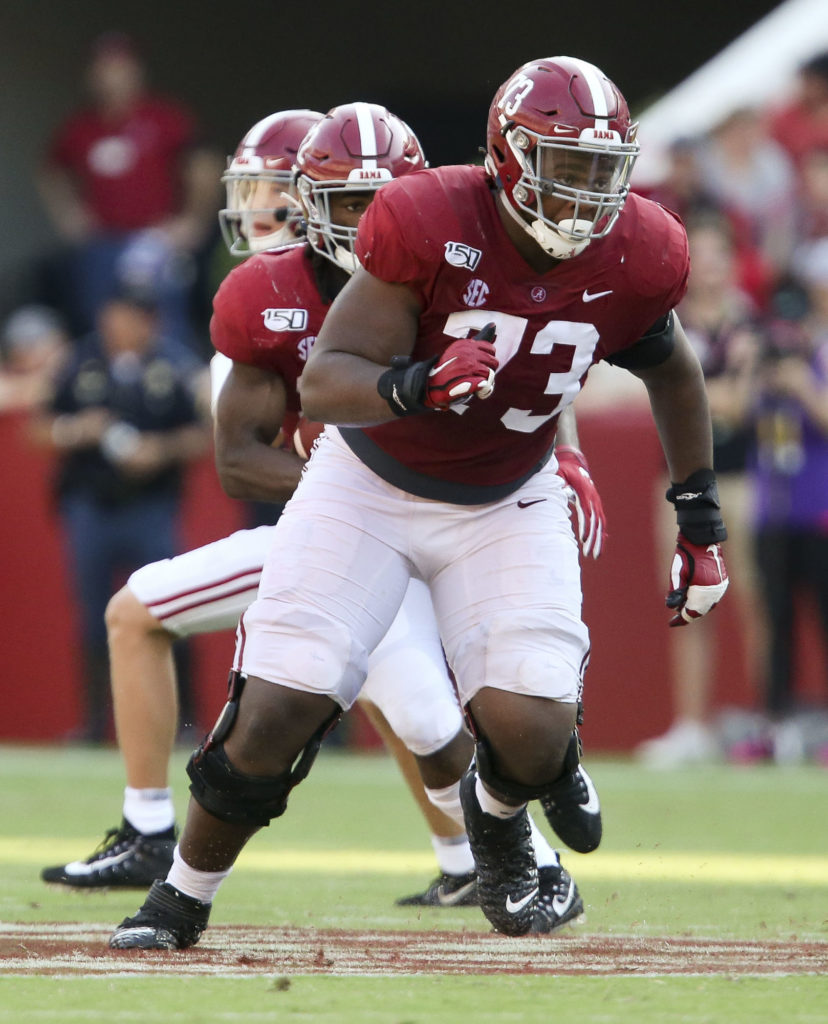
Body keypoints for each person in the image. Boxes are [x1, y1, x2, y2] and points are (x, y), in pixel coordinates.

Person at [108, 58, 718, 951]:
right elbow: (326, 379)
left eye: (601, 169)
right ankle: (179, 896)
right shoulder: (429, 218)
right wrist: (417, 383)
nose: (585, 191)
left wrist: (700, 516)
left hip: (508, 493)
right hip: (368, 484)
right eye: (564, 165)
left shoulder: (643, 248)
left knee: (535, 735)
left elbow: (672, 366)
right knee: (277, 708)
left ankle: (494, 817)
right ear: (509, 156)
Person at [43, 105, 601, 919]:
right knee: (403, 700)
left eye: (267, 191)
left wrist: (565, 452)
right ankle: (478, 859)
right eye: (257, 193)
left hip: (451, 509)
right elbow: (237, 455)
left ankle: (154, 830)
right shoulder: (264, 293)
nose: (258, 212)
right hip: (342, 520)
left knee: (422, 704)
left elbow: (541, 359)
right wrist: (348, 489)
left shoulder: (444, 273)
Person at [28, 281, 209, 742]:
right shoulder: (78, 361)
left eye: (131, 317)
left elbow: (203, 434)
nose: (120, 326)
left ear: (150, 321)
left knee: (170, 610)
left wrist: (160, 450)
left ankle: (185, 723)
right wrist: (76, 430)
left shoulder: (175, 365)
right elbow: (38, 427)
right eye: (114, 316)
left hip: (151, 506)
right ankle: (93, 725)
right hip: (91, 505)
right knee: (92, 614)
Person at [635, 213, 767, 766]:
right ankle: (691, 725)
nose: (710, 265)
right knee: (688, 602)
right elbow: (653, 395)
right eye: (702, 253)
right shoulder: (671, 322)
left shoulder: (749, 324)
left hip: (740, 478)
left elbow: (738, 405)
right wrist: (703, 394)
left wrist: (686, 395)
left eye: (719, 253)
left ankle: (767, 721)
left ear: (734, 261)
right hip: (680, 483)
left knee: (757, 603)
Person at [36, 30, 223, 349]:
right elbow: (51, 171)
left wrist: (192, 221)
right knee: (99, 325)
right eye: (104, 67)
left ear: (136, 70)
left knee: (163, 326)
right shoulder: (80, 127)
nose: (112, 76)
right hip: (101, 243)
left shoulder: (164, 117)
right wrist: (70, 217)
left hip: (154, 242)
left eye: (119, 67)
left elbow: (204, 164)